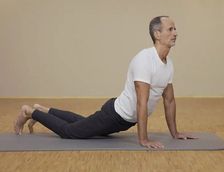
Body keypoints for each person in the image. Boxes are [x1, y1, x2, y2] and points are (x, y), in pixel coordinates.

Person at [14, 16, 195, 149]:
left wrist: (175, 133)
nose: (175, 33)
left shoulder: (168, 64)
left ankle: (45, 110)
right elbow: (142, 101)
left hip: (125, 120)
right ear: (157, 34)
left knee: (83, 124)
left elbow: (169, 100)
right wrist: (143, 140)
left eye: (175, 29)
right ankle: (30, 112)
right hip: (115, 115)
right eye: (170, 29)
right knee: (70, 133)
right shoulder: (145, 60)